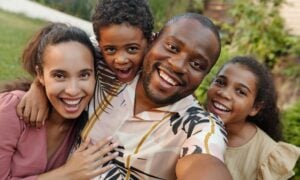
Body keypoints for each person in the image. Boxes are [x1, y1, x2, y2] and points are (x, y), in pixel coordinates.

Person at [82, 13, 231, 179]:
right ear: (153, 40)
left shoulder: (199, 126)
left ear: (204, 76)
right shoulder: (108, 60)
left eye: (196, 64)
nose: (177, 66)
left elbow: (206, 163)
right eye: (172, 47)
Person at [0, 23, 118, 179]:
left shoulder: (88, 123)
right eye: (59, 75)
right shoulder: (12, 111)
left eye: (84, 75)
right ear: (40, 75)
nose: (73, 90)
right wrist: (67, 174)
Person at [16, 0, 154, 127]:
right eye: (111, 49)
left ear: (149, 42)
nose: (120, 59)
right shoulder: (94, 49)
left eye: (132, 49)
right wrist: (38, 87)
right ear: (100, 44)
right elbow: (60, 61)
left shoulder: (159, 62)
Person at [205, 56, 300, 179]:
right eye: (220, 82)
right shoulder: (190, 122)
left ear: (255, 108)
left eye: (240, 92)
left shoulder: (266, 157)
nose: (224, 93)